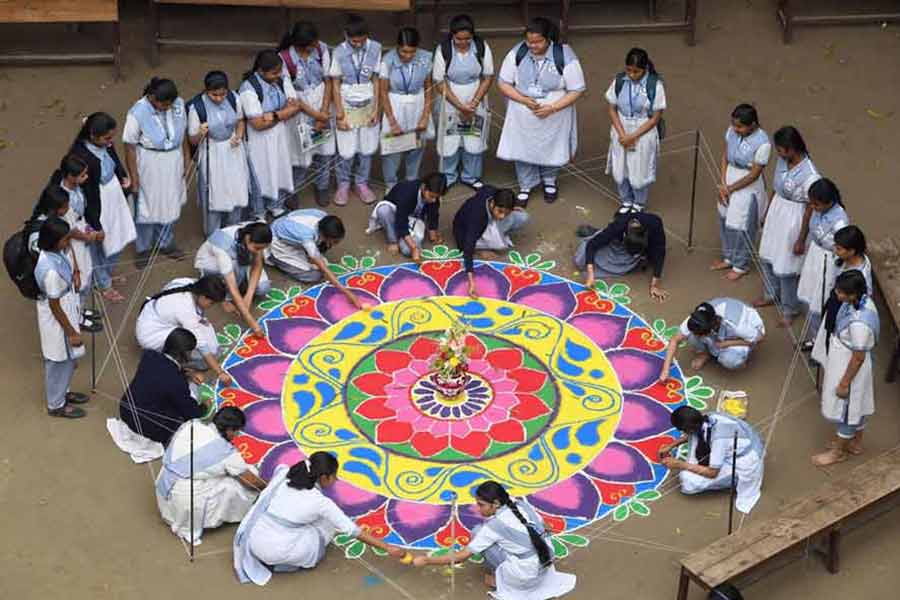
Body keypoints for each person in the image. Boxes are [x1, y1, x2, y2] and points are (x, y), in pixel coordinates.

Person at [234, 452, 405, 585]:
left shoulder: (284, 474)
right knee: (328, 526)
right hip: (278, 550)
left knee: (297, 520)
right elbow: (352, 530)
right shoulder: (320, 502)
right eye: (334, 476)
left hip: (255, 540)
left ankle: (281, 555)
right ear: (323, 477)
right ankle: (290, 561)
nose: (336, 479)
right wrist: (387, 547)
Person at [412, 480, 577, 599]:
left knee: (477, 532)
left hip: (526, 576)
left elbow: (462, 556)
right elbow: (546, 527)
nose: (478, 508)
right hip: (544, 562)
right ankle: (513, 574)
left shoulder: (493, 526)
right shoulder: (518, 504)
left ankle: (501, 581)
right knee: (516, 544)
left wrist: (427, 560)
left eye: (481, 504)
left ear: (496, 503)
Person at [497, 17, 585, 206]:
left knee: (551, 147)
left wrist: (552, 107)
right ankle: (526, 185)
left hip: (554, 111)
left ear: (548, 39)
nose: (532, 46)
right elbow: (503, 82)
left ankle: (550, 181)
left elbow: (577, 89)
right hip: (523, 109)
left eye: (537, 42)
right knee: (523, 148)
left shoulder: (564, 55)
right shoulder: (518, 52)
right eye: (529, 41)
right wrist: (523, 99)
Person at [155, 406, 267, 544]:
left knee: (223, 471)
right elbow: (252, 482)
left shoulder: (191, 425)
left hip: (163, 484)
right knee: (235, 485)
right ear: (230, 430)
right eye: (237, 432)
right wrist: (268, 487)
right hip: (185, 499)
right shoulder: (227, 453)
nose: (238, 436)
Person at [810, 271, 879, 466]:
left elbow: (858, 357)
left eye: (841, 293)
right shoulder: (861, 302)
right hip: (846, 360)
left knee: (848, 410)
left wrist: (844, 383)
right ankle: (855, 443)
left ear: (852, 294)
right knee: (858, 405)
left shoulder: (860, 324)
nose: (837, 295)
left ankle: (838, 452)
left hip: (850, 367)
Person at [123, 77, 190, 267]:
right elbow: (129, 146)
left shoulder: (178, 105)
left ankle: (165, 243)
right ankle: (143, 248)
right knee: (147, 207)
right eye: (163, 104)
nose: (166, 107)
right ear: (151, 97)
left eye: (170, 104)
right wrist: (134, 177)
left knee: (170, 202)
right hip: (149, 163)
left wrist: (186, 158)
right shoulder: (137, 112)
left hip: (173, 161)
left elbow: (183, 133)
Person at [69, 112, 135, 302]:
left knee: (119, 236)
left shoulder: (105, 143)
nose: (109, 142)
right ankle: (103, 283)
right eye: (106, 138)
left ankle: (106, 273)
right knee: (100, 244)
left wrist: (123, 176)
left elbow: (114, 160)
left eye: (111, 137)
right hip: (97, 204)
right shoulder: (81, 157)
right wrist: (95, 224)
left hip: (114, 196)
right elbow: (87, 194)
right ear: (92, 136)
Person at [756, 127, 818, 319]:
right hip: (777, 211)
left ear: (792, 149)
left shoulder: (810, 175)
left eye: (781, 150)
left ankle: (789, 308)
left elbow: (810, 207)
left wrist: (801, 238)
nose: (778, 153)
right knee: (767, 254)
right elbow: (775, 188)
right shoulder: (783, 162)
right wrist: (766, 212)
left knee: (786, 266)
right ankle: (771, 294)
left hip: (794, 218)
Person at [660, 407, 765, 514]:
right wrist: (672, 445)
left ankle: (733, 481)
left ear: (689, 428)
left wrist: (680, 464)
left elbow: (712, 473)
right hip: (742, 442)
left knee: (688, 481)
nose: (683, 433)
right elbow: (693, 433)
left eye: (682, 430)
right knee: (695, 445)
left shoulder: (718, 440)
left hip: (744, 461)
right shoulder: (708, 418)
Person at [34, 217, 89, 418]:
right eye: (66, 239)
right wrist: (72, 333)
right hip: (57, 319)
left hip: (65, 308)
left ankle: (63, 391)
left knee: (67, 360)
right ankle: (56, 404)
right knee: (58, 360)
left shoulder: (54, 253)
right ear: (54, 241)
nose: (69, 242)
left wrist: (74, 273)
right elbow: (55, 306)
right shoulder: (50, 273)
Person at [433, 14, 494, 190]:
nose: (463, 42)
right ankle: (448, 175)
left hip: (475, 92)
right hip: (451, 96)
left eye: (467, 38)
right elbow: (439, 81)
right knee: (450, 136)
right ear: (452, 35)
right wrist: (459, 106)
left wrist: (474, 102)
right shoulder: (443, 49)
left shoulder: (481, 47)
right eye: (459, 38)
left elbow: (488, 76)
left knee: (473, 135)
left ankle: (470, 175)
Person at [240, 49, 302, 220]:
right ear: (260, 71)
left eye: (279, 71)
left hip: (279, 136)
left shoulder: (280, 80)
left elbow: (296, 106)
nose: (278, 75)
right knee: (261, 174)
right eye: (274, 73)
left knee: (278, 169)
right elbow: (258, 124)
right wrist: (281, 113)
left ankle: (276, 205)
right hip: (259, 140)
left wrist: (273, 115)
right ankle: (258, 212)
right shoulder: (249, 89)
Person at [278, 21, 335, 207]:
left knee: (324, 152)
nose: (315, 47)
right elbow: (293, 98)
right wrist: (316, 116)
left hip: (322, 104)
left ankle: (322, 186)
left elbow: (328, 81)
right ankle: (292, 190)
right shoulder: (284, 59)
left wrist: (324, 112)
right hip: (301, 112)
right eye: (311, 45)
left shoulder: (322, 50)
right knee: (301, 155)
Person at [712, 105, 772, 282]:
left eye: (740, 127)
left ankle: (740, 264)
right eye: (734, 125)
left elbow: (754, 174)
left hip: (746, 184)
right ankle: (728, 257)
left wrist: (730, 188)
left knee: (741, 225)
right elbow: (725, 156)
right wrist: (723, 183)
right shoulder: (731, 131)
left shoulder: (763, 143)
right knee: (724, 217)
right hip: (729, 175)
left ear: (752, 125)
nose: (735, 129)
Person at [136, 275, 231, 384]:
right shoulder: (186, 311)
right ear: (203, 297)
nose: (211, 306)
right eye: (211, 303)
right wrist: (220, 372)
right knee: (208, 355)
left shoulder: (187, 282)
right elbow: (202, 346)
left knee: (207, 334)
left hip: (149, 317)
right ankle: (177, 364)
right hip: (150, 336)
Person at [188, 70, 250, 235]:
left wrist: (239, 135)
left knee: (236, 188)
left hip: (233, 150)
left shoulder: (233, 98)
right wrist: (200, 132)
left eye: (222, 94)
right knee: (214, 193)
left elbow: (240, 120)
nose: (219, 98)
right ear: (206, 91)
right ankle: (212, 232)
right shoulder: (197, 107)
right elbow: (193, 140)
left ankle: (233, 229)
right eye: (214, 95)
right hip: (213, 152)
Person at [120, 328, 206, 445]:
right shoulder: (177, 381)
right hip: (146, 426)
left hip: (125, 410)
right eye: (191, 352)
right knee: (193, 398)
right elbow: (192, 413)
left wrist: (185, 373)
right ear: (184, 353)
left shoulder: (149, 356)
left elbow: (160, 373)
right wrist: (204, 406)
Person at [329, 13, 382, 206]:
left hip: (368, 102)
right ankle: (343, 183)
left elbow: (376, 79)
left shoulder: (375, 48)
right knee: (346, 149)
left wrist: (377, 108)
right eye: (354, 41)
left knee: (366, 148)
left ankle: (362, 182)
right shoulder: (339, 52)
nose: (358, 44)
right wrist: (340, 113)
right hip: (347, 101)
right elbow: (335, 83)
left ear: (367, 36)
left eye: (361, 40)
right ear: (345, 36)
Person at [605, 47, 666, 212]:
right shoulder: (619, 81)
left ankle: (639, 203)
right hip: (621, 126)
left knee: (640, 168)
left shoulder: (655, 85)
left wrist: (633, 136)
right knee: (621, 166)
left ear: (645, 69)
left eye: (636, 72)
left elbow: (655, 117)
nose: (631, 75)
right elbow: (612, 108)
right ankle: (626, 201)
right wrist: (622, 134)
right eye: (629, 70)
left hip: (643, 129)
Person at [267, 210, 363, 307]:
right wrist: (348, 293)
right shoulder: (306, 236)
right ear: (323, 236)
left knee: (320, 256)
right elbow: (324, 270)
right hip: (277, 241)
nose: (334, 245)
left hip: (288, 229)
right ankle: (273, 258)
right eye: (334, 242)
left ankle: (304, 252)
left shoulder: (324, 218)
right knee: (314, 275)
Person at [379, 27, 434, 192]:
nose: (407, 56)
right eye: (403, 51)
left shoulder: (425, 58)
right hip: (395, 103)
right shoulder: (387, 61)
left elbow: (428, 88)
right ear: (397, 47)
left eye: (412, 51)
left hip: (418, 102)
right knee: (393, 148)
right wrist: (392, 121)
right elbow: (383, 91)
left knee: (416, 145)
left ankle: (411, 180)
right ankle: (391, 184)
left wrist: (425, 115)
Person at [194, 221, 271, 337]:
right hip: (210, 265)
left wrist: (248, 298)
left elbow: (257, 264)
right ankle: (219, 291)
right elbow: (233, 289)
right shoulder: (223, 247)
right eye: (257, 248)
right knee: (232, 272)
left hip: (239, 262)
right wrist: (253, 324)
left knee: (263, 287)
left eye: (262, 248)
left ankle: (240, 286)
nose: (259, 251)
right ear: (247, 238)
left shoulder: (258, 232)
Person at [797, 178, 850, 345]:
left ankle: (823, 344)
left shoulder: (840, 221)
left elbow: (843, 250)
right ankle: (814, 338)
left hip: (829, 262)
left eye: (816, 205)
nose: (813, 208)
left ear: (829, 202)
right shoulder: (817, 210)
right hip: (814, 255)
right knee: (808, 296)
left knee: (820, 303)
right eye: (811, 204)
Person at [574, 209, 668, 301]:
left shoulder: (655, 223)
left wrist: (654, 285)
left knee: (625, 264)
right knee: (581, 260)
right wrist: (590, 275)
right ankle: (599, 233)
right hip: (616, 241)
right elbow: (592, 245)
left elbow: (660, 251)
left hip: (638, 246)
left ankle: (637, 254)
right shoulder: (618, 226)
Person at [454, 187, 529, 297]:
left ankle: (495, 232)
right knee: (500, 246)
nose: (502, 216)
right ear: (492, 203)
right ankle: (482, 245)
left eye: (506, 212)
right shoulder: (477, 216)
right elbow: (467, 249)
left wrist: (512, 208)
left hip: (486, 220)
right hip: (465, 233)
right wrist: (471, 282)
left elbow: (484, 189)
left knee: (523, 217)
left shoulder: (493, 193)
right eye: (500, 211)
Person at [660, 298, 765, 376]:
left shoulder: (737, 326)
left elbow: (760, 338)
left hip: (750, 331)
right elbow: (675, 340)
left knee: (730, 360)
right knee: (691, 336)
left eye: (701, 334)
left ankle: (740, 358)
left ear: (710, 330)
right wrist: (665, 370)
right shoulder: (698, 318)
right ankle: (705, 354)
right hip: (721, 331)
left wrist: (728, 343)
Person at [367, 172, 447, 261]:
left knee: (407, 251)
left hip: (412, 219)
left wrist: (433, 233)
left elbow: (433, 213)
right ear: (424, 187)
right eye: (432, 196)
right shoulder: (407, 192)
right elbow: (401, 220)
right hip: (394, 214)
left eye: (436, 198)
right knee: (383, 210)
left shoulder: (433, 196)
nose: (433, 200)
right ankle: (393, 240)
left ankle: (402, 237)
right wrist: (414, 247)